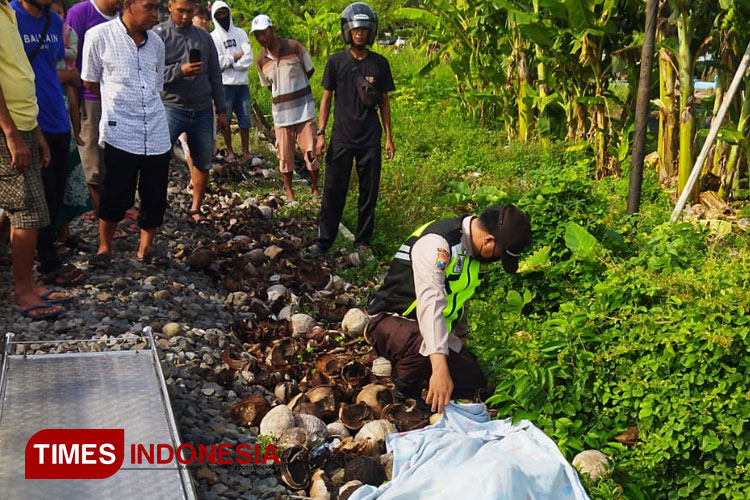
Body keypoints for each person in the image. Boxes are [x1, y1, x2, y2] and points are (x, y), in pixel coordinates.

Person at [366, 204, 532, 413]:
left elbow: (461, 298)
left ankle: (426, 373)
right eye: (499, 254)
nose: (496, 260)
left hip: (431, 328)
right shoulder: (438, 245)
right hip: (391, 320)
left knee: (473, 382)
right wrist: (440, 367)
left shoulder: (474, 255)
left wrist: (460, 342)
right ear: (489, 240)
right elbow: (431, 304)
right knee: (422, 345)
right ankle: (405, 394)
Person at [82, 0, 171, 267]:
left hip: (155, 129)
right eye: (149, 7)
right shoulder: (99, 36)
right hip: (120, 129)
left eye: (158, 8)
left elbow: (157, 84)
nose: (155, 14)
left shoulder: (156, 42)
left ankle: (146, 249)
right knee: (115, 193)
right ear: (129, 4)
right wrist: (117, 103)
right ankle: (104, 248)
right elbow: (90, 80)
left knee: (155, 194)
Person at [310, 2, 395, 257]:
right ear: (348, 31)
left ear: (371, 32)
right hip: (342, 137)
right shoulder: (336, 62)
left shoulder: (380, 64)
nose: (360, 34)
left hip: (370, 138)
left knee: (369, 193)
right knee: (333, 191)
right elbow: (326, 98)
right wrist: (321, 133)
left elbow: (384, 103)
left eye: (364, 30)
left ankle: (362, 241)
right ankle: (323, 241)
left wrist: (389, 137)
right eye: (356, 30)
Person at [1, 0, 67, 319]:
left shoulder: (7, 13)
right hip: (8, 128)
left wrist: (35, 132)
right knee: (26, 211)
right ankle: (22, 292)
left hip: (26, 122)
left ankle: (27, 284)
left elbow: (20, 74)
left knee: (32, 210)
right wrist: (11, 134)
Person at [12, 0, 86, 287]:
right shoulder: (11, 17)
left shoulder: (54, 23)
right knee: (33, 199)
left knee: (54, 192)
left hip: (57, 116)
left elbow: (48, 66)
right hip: (29, 120)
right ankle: (46, 262)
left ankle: (46, 254)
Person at [154, 0, 227, 225]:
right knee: (157, 159)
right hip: (170, 106)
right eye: (180, 11)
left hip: (202, 108)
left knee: (203, 160)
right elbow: (152, 73)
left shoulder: (204, 37)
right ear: (170, 8)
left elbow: (215, 74)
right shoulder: (158, 36)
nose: (185, 16)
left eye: (189, 11)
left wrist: (222, 110)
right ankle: (157, 204)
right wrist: (179, 70)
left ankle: (196, 207)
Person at [251, 14, 319, 202]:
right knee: (285, 156)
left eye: (264, 32)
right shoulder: (261, 60)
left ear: (272, 30)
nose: (261, 37)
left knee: (311, 152)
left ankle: (314, 189)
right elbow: (269, 85)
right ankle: (290, 192)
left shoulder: (294, 47)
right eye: (257, 34)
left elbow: (310, 70)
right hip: (281, 115)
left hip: (304, 111)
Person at [64, 0, 122, 211]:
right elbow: (69, 57)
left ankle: (111, 206)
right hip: (90, 96)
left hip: (117, 98)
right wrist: (75, 100)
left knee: (114, 157)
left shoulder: (122, 15)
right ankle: (96, 209)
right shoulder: (81, 13)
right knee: (92, 158)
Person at [210, 1, 254, 164]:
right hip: (225, 86)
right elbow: (217, 63)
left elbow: (249, 57)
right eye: (219, 14)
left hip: (242, 85)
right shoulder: (213, 37)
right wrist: (235, 57)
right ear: (215, 17)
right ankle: (229, 151)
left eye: (224, 13)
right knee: (225, 120)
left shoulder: (241, 33)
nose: (223, 17)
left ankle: (246, 152)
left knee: (245, 119)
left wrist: (232, 64)